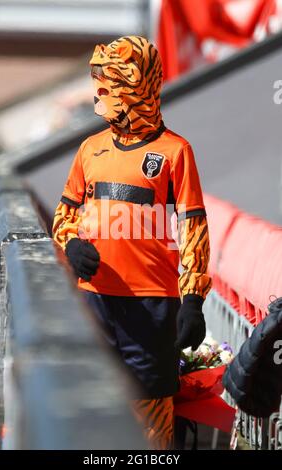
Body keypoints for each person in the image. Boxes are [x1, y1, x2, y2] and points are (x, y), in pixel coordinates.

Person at [52, 36, 212, 450]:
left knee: (151, 423)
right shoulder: (90, 149)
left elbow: (193, 226)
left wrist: (192, 299)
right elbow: (64, 215)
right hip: (94, 301)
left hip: (152, 307)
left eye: (107, 88)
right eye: (97, 86)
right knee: (95, 410)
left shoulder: (176, 152)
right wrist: (71, 245)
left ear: (135, 87)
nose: (97, 97)